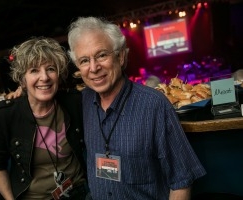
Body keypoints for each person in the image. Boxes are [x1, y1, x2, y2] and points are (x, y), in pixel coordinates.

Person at [66, 16, 206, 199]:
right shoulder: (81, 102)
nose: (94, 67)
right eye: (84, 60)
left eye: (101, 55)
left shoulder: (154, 105)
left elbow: (182, 181)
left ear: (121, 56)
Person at [0, 37, 89, 200]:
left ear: (59, 74)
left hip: (78, 190)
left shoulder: (74, 102)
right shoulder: (5, 114)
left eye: (50, 69)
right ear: (22, 79)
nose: (44, 77)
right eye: (34, 70)